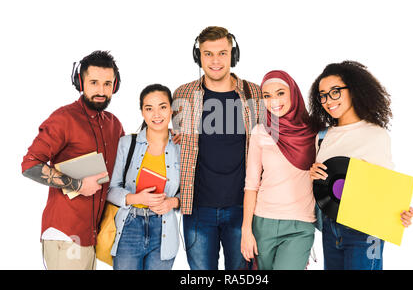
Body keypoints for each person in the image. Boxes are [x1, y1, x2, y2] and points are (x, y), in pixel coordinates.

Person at [21, 50, 124, 270]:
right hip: (65, 234)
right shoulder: (63, 119)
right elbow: (30, 165)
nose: (101, 90)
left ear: (115, 86)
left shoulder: (114, 124)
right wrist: (77, 185)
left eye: (107, 84)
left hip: (91, 236)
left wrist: (163, 134)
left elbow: (130, 159)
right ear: (80, 82)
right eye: (94, 82)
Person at [308, 60, 413, 270]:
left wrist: (401, 213)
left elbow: (387, 189)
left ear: (353, 90)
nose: (328, 100)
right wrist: (313, 173)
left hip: (366, 229)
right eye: (323, 95)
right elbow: (323, 188)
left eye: (335, 92)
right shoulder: (322, 137)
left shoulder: (376, 135)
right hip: (331, 228)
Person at [172, 26, 262, 270]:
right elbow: (170, 142)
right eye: (208, 53)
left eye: (222, 53)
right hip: (197, 208)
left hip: (242, 208)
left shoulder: (254, 93)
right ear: (198, 56)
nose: (215, 60)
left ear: (233, 55)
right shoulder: (183, 94)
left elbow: (270, 146)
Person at [241, 70, 317, 270]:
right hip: (262, 222)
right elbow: (251, 185)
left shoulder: (315, 132)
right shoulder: (260, 132)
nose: (273, 100)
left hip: (300, 224)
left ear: (293, 92)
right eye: (267, 96)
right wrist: (246, 231)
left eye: (280, 93)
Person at [107, 84, 180, 270]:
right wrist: (136, 198)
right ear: (142, 112)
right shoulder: (126, 143)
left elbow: (193, 192)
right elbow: (110, 189)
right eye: (149, 108)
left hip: (164, 230)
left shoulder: (182, 147)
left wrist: (172, 203)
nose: (156, 114)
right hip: (129, 226)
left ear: (171, 109)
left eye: (162, 107)